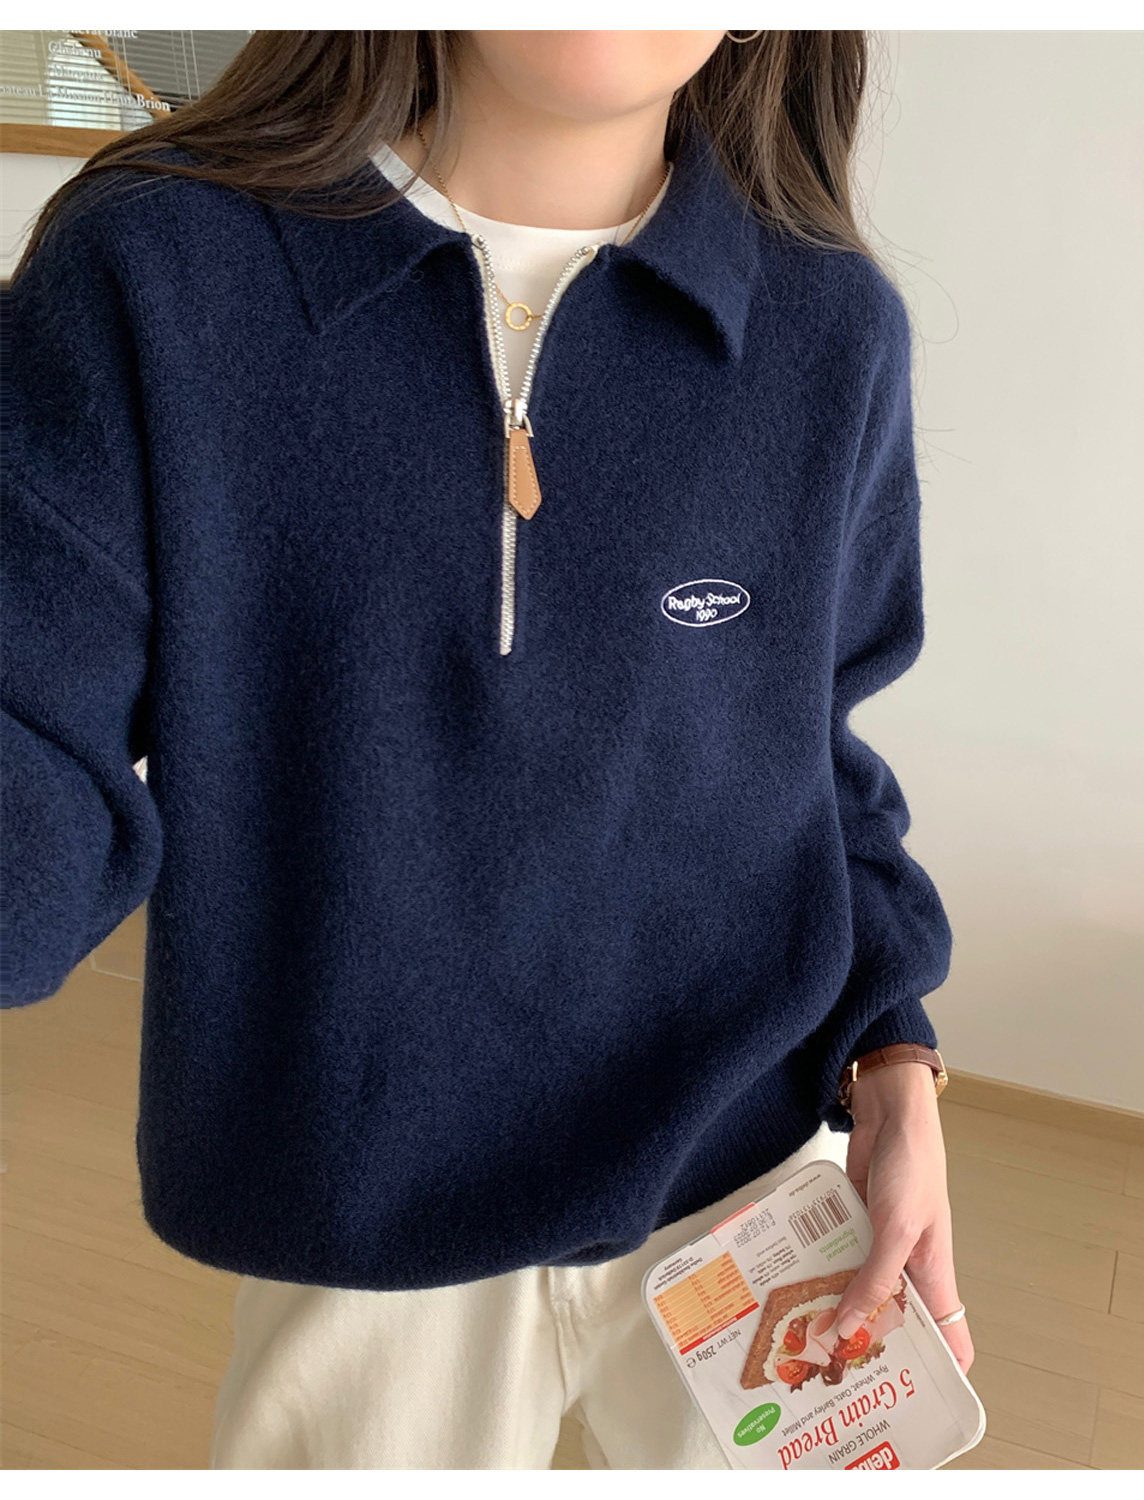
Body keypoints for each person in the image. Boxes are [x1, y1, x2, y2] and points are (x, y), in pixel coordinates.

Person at [2, 29, 974, 1468]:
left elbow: (811, 743)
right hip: (366, 1206)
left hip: (751, 1174)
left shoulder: (832, 332)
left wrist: (894, 1049)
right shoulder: (156, 274)